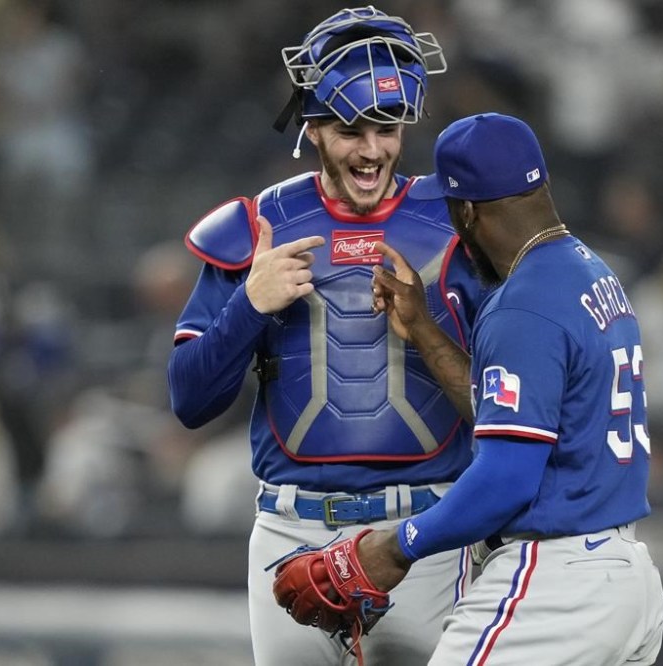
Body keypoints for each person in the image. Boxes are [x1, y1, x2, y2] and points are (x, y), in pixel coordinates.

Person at [166, 7, 485, 666]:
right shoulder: (256, 228)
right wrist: (250, 305)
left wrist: (425, 329)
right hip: (289, 528)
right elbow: (188, 400)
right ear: (312, 127)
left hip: (424, 530)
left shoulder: (463, 224)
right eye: (350, 129)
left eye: (387, 127)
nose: (372, 149)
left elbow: (510, 402)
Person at [357, 112, 663, 665]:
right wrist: (427, 332)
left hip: (555, 586)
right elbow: (515, 422)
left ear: (468, 210)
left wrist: (398, 546)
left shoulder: (522, 303)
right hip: (625, 577)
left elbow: (506, 478)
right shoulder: (590, 273)